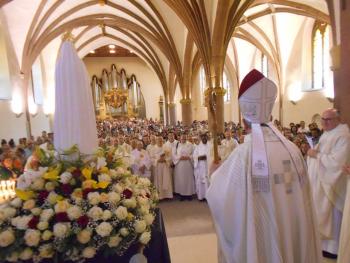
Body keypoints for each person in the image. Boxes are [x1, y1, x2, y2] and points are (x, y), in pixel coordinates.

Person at [207, 69, 321, 263]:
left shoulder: (244, 155)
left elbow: (224, 202)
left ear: (244, 120)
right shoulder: (293, 150)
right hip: (293, 232)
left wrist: (215, 174)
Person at [307, 108, 350, 258]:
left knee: (333, 216)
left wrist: (316, 154)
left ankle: (334, 249)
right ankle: (323, 246)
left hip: (331, 185)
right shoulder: (328, 133)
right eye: (323, 120)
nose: (324, 122)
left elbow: (338, 163)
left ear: (338, 119)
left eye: (328, 119)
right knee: (322, 215)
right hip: (320, 184)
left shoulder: (343, 135)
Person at [173, 134, 195, 201]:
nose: (183, 140)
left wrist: (189, 157)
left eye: (184, 139)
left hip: (188, 164)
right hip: (180, 165)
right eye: (182, 139)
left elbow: (194, 153)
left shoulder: (190, 145)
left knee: (188, 179)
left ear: (186, 139)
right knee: (181, 179)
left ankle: (189, 195)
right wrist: (179, 158)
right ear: (180, 139)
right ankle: (182, 195)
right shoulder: (177, 145)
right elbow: (174, 155)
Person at [193, 133, 211, 201]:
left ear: (207, 137)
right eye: (202, 137)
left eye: (205, 137)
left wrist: (207, 157)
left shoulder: (210, 145)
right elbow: (194, 156)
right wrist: (199, 158)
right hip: (200, 166)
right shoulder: (198, 147)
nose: (204, 138)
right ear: (201, 138)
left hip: (208, 166)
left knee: (208, 181)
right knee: (201, 181)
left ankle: (208, 197)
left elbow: (212, 154)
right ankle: (201, 196)